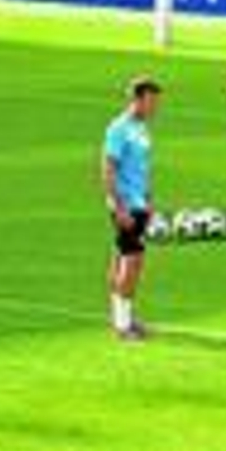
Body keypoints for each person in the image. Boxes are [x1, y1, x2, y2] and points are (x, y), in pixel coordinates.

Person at [102, 77, 162, 342]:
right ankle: (123, 325)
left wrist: (148, 198)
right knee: (133, 261)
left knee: (121, 258)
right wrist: (118, 205)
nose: (155, 106)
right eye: (151, 100)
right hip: (126, 204)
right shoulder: (119, 128)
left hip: (138, 202)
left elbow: (143, 166)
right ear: (137, 99)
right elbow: (108, 168)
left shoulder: (142, 128)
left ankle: (121, 317)